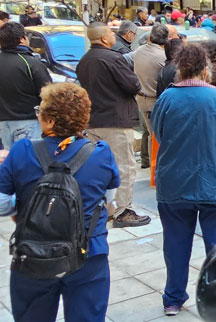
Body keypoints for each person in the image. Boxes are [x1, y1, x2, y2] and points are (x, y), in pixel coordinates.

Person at [0, 83, 120, 322]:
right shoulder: (100, 152)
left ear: (51, 121)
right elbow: (109, 199)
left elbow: (2, 204)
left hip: (34, 254)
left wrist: (24, 207)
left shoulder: (22, 150)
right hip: (87, 253)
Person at [150, 42, 216, 316]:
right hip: (215, 182)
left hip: (174, 183)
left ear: (180, 69)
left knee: (175, 243)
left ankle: (173, 298)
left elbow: (159, 133)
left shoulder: (167, 99)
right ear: (206, 70)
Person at [77, 22, 151, 228]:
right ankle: (123, 210)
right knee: (124, 167)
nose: (113, 35)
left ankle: (107, 208)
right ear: (103, 38)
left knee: (99, 166)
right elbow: (133, 84)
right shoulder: (112, 58)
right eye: (110, 32)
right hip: (115, 120)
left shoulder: (84, 61)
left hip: (93, 120)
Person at [0, 22, 51, 148]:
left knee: (9, 162)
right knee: (29, 161)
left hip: (3, 124)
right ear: (22, 39)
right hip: (28, 121)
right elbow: (48, 94)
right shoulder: (30, 63)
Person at [133, 23, 168, 170]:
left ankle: (146, 161)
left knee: (148, 131)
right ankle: (155, 168)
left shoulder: (138, 51)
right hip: (154, 99)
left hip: (141, 97)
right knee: (155, 135)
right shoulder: (163, 57)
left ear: (150, 37)